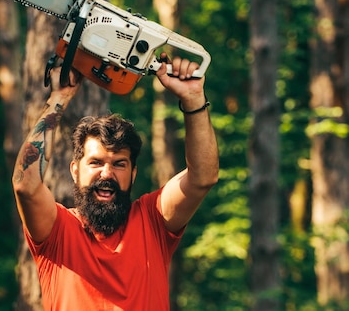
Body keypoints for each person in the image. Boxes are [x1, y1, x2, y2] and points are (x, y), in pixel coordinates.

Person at [11, 55, 219, 310]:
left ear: (133, 174)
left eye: (119, 164)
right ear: (75, 170)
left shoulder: (152, 220)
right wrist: (59, 97)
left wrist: (194, 98)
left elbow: (203, 177)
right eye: (96, 162)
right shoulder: (58, 231)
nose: (107, 174)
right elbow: (25, 185)